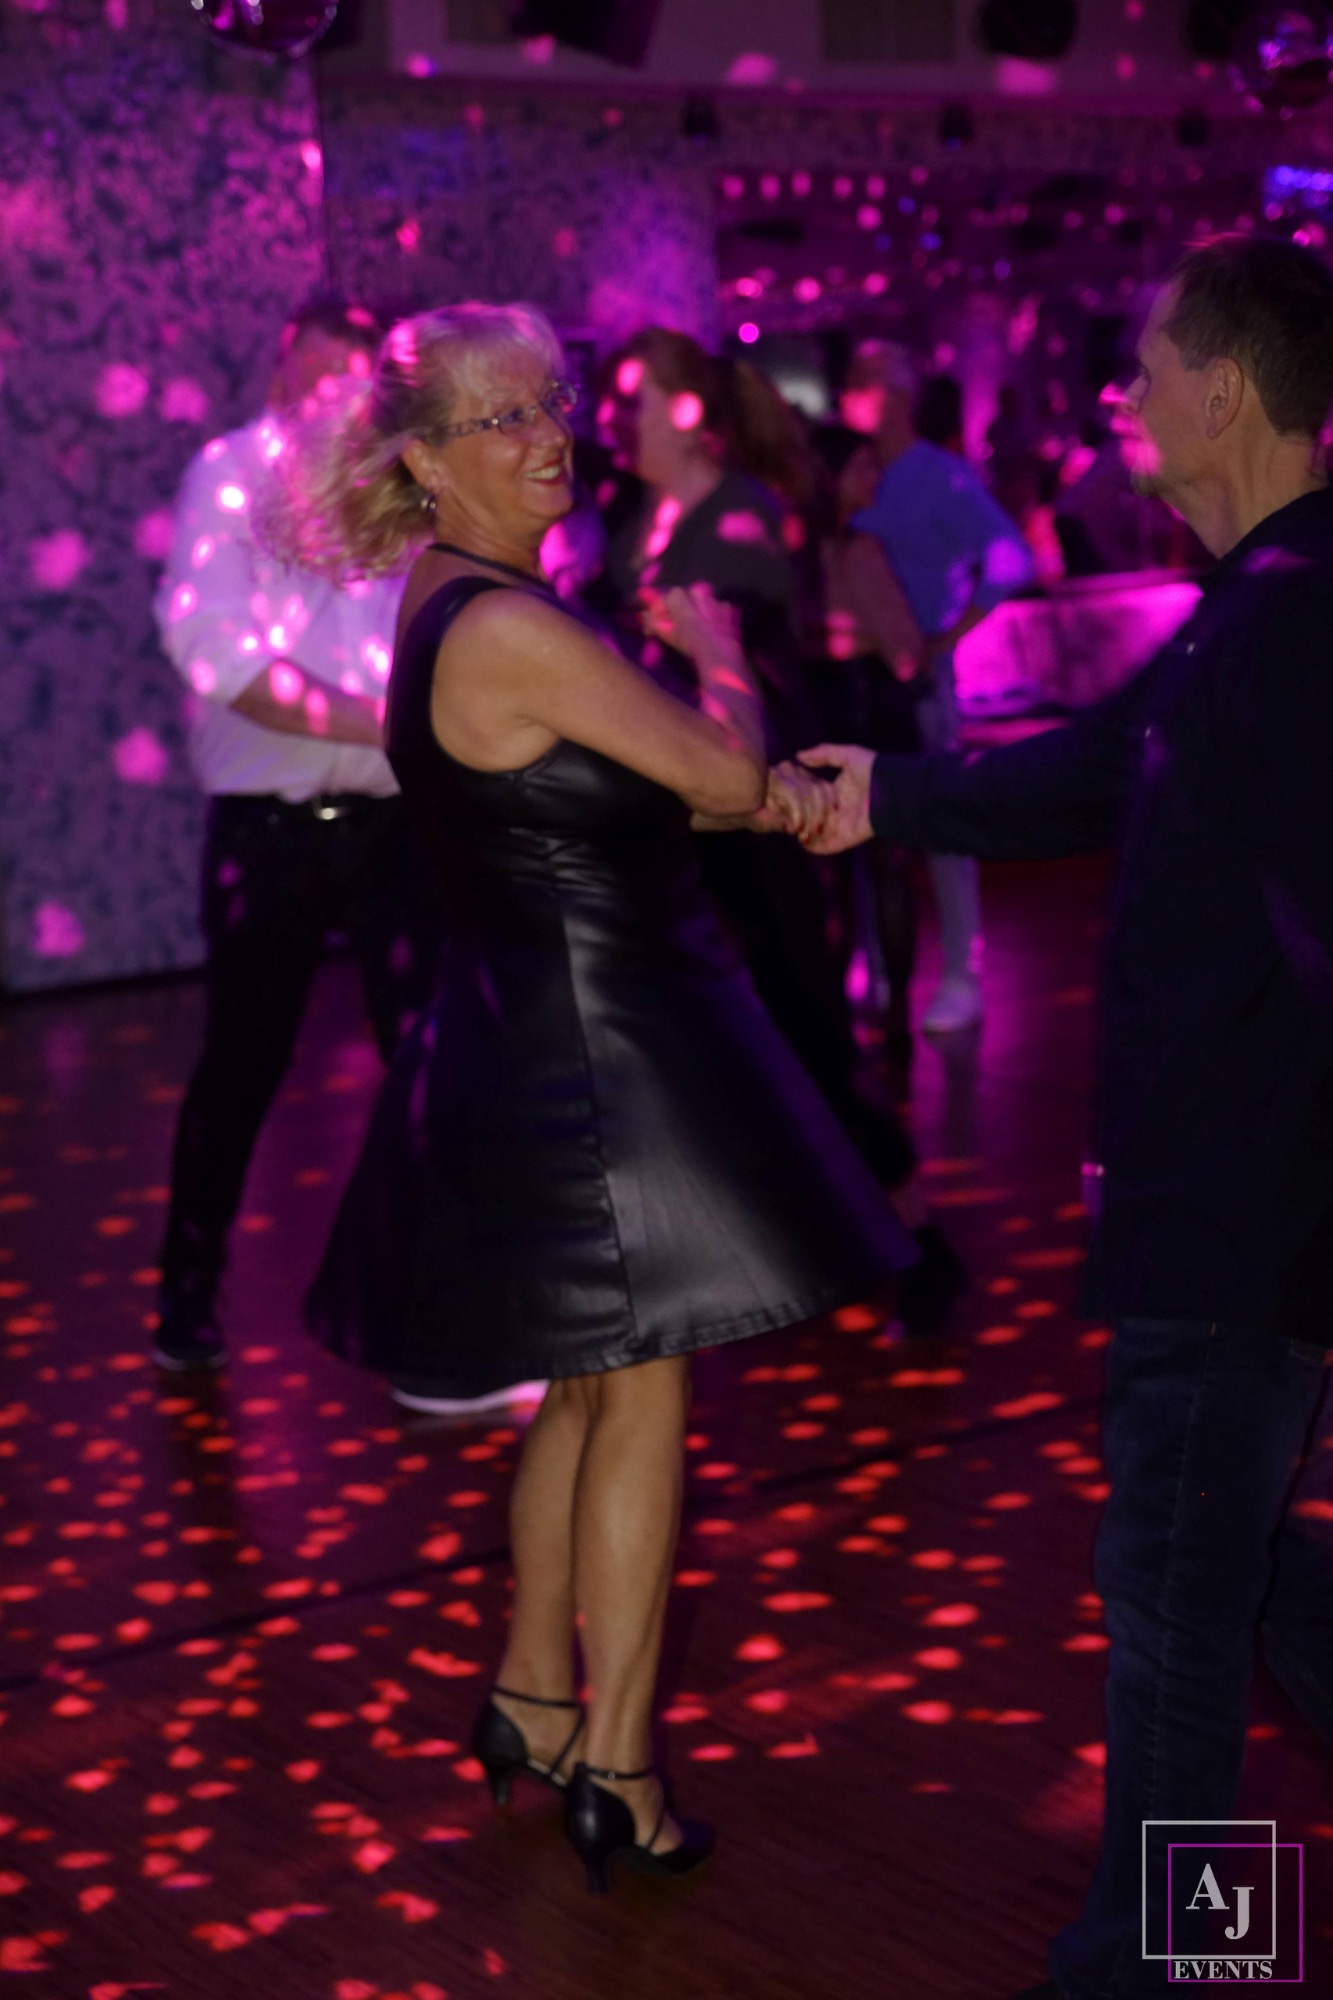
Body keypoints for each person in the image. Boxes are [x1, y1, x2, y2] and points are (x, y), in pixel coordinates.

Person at [261, 301, 918, 1891]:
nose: (548, 436)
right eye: (502, 418)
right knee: (642, 1393)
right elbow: (716, 779)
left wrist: (740, 758)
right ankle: (619, 1765)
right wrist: (723, 669)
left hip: (547, 1036)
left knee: (586, 1388)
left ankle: (533, 1696)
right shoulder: (505, 625)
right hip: (603, 1052)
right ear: (425, 461)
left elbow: (654, 790)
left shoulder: (455, 598)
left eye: (549, 403)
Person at [784, 235, 1333, 2000]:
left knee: (1175, 1602)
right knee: (1215, 1566)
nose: (1121, 397)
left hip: (1245, 1199)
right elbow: (1095, 768)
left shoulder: (1296, 619)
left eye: (1144, 368)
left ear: (1222, 396)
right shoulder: (1262, 602)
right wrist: (888, 795)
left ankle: (1169, 1974)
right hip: (1225, 1190)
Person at [153, 301, 534, 1417]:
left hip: (394, 824)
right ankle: (186, 1294)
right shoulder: (229, 475)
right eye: (318, 371)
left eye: (355, 378)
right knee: (241, 1066)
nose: (335, 395)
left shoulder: (398, 485)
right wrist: (396, 723)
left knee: (428, 1062)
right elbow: (214, 650)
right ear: (282, 373)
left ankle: (445, 1323)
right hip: (269, 828)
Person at [594, 329, 964, 1331]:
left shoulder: (741, 513)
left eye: (635, 397)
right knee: (713, 1038)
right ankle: (797, 1244)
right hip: (680, 818)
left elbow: (717, 660)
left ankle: (920, 1241)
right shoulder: (633, 513)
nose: (616, 417)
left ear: (688, 414)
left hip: (758, 812)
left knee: (803, 1025)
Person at [841, 339, 1035, 1034]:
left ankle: (961, 972)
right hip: (862, 676)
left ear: (896, 395)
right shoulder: (856, 473)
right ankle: (872, 961)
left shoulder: (942, 477)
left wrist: (945, 639)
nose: (849, 391)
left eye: (864, 379)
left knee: (941, 820)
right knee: (859, 815)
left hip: (920, 678)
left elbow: (1011, 559)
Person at [800, 422, 928, 1061]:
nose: (874, 478)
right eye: (863, 467)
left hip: (812, 715)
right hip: (871, 713)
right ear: (834, 478)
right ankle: (897, 1014)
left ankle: (832, 1022)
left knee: (828, 876)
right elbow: (903, 652)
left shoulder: (795, 549)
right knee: (889, 868)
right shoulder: (860, 551)